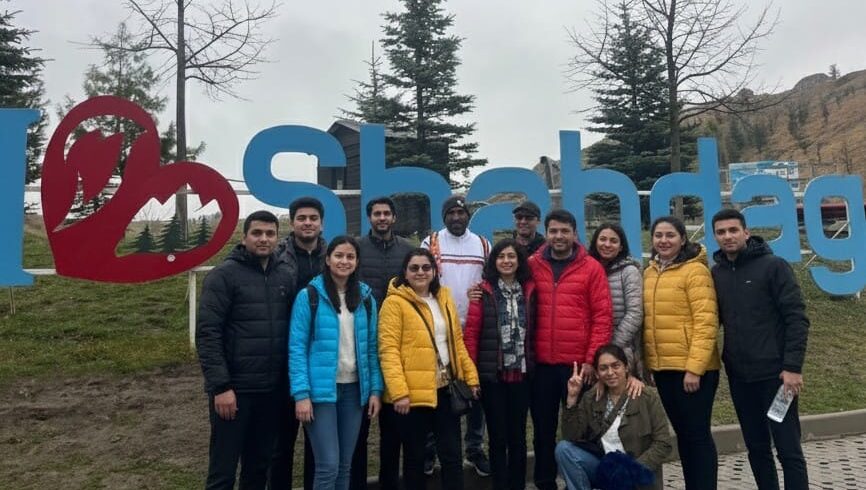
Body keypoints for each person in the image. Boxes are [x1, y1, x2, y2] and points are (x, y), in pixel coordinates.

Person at [196, 210, 297, 490]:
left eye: (270, 234)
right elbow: (208, 334)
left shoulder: (285, 274)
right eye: (257, 233)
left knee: (258, 467)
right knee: (223, 470)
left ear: (278, 238)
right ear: (244, 237)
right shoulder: (223, 276)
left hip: (272, 391)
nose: (263, 239)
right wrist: (221, 386)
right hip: (234, 391)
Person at [711, 209, 810, 490]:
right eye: (721, 232)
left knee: (788, 449)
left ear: (746, 232)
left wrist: (792, 367)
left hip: (776, 376)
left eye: (733, 230)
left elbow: (797, 317)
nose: (727, 236)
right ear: (715, 236)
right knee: (757, 449)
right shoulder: (716, 273)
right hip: (740, 378)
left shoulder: (774, 266)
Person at [378, 248, 481, 490]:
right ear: (405, 272)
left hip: (445, 390)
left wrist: (471, 377)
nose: (421, 272)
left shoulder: (443, 297)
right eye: (414, 268)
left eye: (426, 267)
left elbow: (456, 342)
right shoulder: (394, 303)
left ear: (434, 271)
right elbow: (388, 351)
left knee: (452, 455)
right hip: (411, 395)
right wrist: (399, 392)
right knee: (415, 458)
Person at [527, 208, 613, 490]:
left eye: (565, 231)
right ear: (546, 232)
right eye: (553, 231)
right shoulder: (532, 264)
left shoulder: (591, 267)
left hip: (578, 367)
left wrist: (592, 361)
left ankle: (581, 480)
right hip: (541, 365)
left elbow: (602, 317)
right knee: (543, 430)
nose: (559, 236)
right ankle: (544, 482)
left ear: (575, 233)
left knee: (583, 429)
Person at [289, 236, 383, 490]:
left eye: (350, 256)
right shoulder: (309, 296)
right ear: (328, 259)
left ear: (357, 261)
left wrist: (375, 390)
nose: (344, 261)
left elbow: (372, 349)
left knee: (344, 466)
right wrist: (301, 394)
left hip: (354, 391)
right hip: (321, 394)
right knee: (328, 465)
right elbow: (296, 348)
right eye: (339, 256)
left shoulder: (365, 298)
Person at [643, 215, 720, 490]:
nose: (663, 241)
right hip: (664, 370)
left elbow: (706, 321)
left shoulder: (695, 271)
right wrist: (651, 364)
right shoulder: (650, 271)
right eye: (658, 236)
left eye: (670, 235)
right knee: (685, 435)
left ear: (683, 239)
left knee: (697, 435)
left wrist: (694, 368)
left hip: (693, 371)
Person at [421, 194, 491, 476]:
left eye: (461, 213)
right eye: (451, 213)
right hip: (439, 329)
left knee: (475, 391)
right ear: (444, 216)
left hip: (474, 329)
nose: (456, 218)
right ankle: (430, 450)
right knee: (436, 390)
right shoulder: (432, 243)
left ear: (469, 215)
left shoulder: (483, 244)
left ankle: (474, 448)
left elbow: (490, 280)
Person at [463, 238, 536, 490]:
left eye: (511, 256)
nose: (506, 261)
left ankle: (517, 485)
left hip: (522, 376)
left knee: (518, 436)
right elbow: (471, 335)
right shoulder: (482, 292)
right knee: (497, 436)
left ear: (519, 261)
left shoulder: (530, 290)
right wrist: (471, 374)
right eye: (501, 256)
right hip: (492, 377)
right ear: (494, 261)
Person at [352, 196, 414, 490]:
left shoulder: (408, 250)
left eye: (387, 213)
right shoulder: (357, 250)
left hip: (400, 345)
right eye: (376, 213)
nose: (382, 218)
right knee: (359, 427)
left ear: (394, 217)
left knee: (395, 428)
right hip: (362, 342)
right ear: (370, 218)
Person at [555, 344, 673, 490]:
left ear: (626, 367)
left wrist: (631, 469)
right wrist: (572, 399)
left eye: (615, 366)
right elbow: (571, 435)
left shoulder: (647, 397)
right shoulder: (591, 397)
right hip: (605, 468)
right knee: (563, 449)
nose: (610, 372)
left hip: (636, 472)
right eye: (603, 368)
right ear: (597, 373)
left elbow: (663, 443)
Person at [271, 196, 327, 490]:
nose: (308, 223)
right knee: (281, 442)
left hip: (321, 357)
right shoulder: (275, 256)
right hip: (284, 356)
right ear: (291, 222)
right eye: (302, 218)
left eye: (313, 218)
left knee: (318, 443)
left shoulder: (333, 256)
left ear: (321, 223)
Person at [588, 223, 645, 379]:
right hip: (590, 349)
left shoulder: (629, 271)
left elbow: (635, 313)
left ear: (621, 247)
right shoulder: (587, 269)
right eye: (603, 239)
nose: (607, 244)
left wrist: (612, 347)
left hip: (620, 349)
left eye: (613, 241)